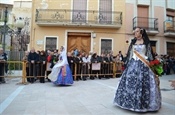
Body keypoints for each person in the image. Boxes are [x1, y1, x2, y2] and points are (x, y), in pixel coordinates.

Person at [113, 28, 161, 112]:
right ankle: (128, 102)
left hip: (143, 64)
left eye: (137, 31)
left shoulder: (146, 42)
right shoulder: (133, 42)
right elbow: (130, 54)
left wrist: (153, 67)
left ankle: (144, 104)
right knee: (129, 81)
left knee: (143, 82)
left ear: (141, 33)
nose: (135, 33)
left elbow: (149, 55)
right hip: (133, 63)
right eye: (134, 32)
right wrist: (126, 63)